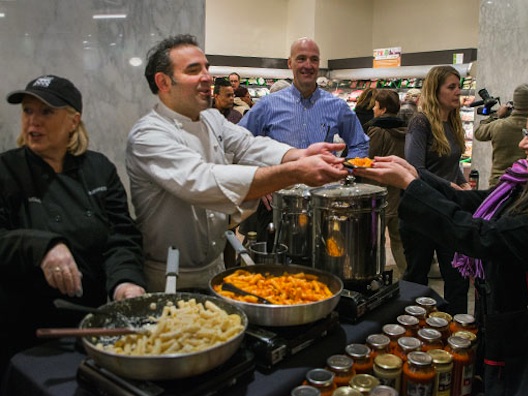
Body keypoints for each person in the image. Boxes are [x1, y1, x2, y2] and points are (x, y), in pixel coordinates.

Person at [353, 90, 528, 396]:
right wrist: (416, 175)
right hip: (511, 329)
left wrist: (410, 185)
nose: (524, 144)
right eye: (527, 134)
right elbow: (469, 200)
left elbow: (483, 237)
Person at [126, 34, 348, 292]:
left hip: (215, 266)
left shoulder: (210, 118)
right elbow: (204, 182)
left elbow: (250, 145)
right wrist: (294, 172)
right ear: (163, 82)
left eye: (206, 68)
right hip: (167, 276)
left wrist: (300, 155)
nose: (207, 77)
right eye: (193, 70)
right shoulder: (149, 135)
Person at [0, 74, 147, 377]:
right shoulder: (6, 170)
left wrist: (125, 281)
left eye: (46, 112)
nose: (33, 121)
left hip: (87, 321)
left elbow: (121, 235)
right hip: (22, 329)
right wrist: (44, 246)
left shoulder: (98, 169)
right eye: (28, 111)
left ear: (73, 120)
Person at [238, 37, 369, 242]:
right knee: (275, 265)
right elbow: (239, 142)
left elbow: (359, 143)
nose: (308, 65)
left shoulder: (337, 106)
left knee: (319, 265)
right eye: (301, 59)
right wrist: (257, 181)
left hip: (322, 203)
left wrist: (347, 171)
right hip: (275, 204)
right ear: (289, 63)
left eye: (314, 60)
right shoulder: (268, 105)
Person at [402, 65, 470, 315]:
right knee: (417, 279)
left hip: (448, 210)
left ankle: (458, 331)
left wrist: (461, 181)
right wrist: (449, 185)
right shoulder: (420, 122)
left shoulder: (452, 121)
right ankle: (414, 331)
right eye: (451, 87)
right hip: (421, 210)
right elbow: (414, 167)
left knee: (457, 277)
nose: (458, 92)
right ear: (435, 90)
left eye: (458, 86)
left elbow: (449, 162)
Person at [362, 89, 407, 279]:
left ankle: (376, 277)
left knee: (375, 241)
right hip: (398, 193)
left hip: (378, 193)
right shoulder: (405, 130)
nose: (373, 108)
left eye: (376, 105)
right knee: (398, 240)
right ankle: (410, 276)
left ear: (383, 108)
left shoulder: (378, 130)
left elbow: (367, 159)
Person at [474, 83, 528, 186]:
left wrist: (496, 115)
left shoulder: (498, 125)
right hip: (527, 185)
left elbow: (478, 133)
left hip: (498, 184)